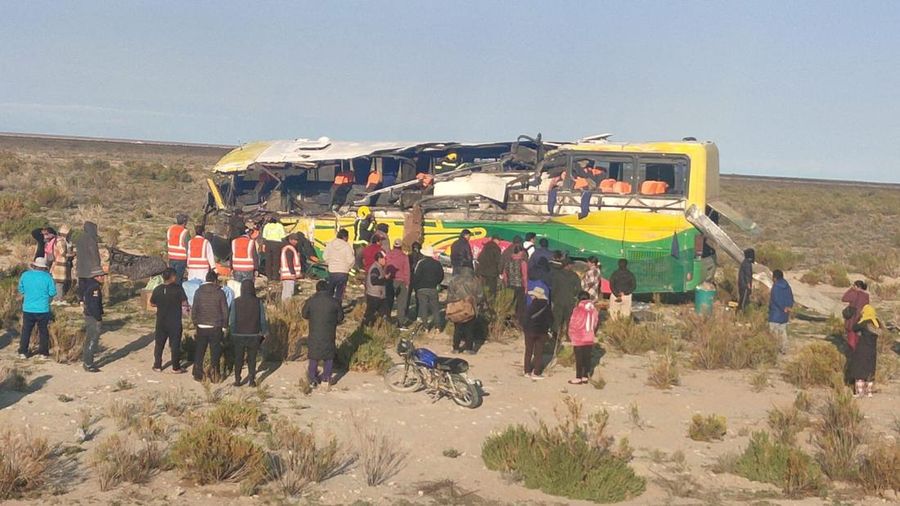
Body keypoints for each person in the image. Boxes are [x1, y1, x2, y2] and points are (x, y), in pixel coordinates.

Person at [303, 280, 344, 387]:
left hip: (315, 331)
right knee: (328, 356)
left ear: (317, 289)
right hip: (329, 331)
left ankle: (312, 378)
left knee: (314, 355)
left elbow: (304, 314)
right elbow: (341, 318)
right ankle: (326, 378)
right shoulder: (334, 302)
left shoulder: (311, 301)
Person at [191, 270, 229, 382]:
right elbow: (225, 311)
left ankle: (197, 372)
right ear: (215, 280)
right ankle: (214, 373)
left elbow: (194, 309)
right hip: (216, 326)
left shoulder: (198, 292)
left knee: (200, 350)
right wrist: (224, 326)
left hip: (201, 325)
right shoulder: (220, 293)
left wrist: (195, 323)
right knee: (215, 351)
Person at [230, 279, 268, 387]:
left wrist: (232, 332)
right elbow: (262, 319)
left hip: (238, 334)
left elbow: (232, 319)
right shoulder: (258, 302)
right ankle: (251, 380)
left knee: (238, 358)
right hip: (254, 334)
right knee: (252, 358)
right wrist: (264, 331)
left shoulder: (236, 302)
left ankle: (238, 379)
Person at [17, 257, 57, 360]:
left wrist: (27, 294)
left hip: (28, 308)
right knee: (43, 331)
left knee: (26, 331)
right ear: (44, 268)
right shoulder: (48, 277)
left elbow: (20, 289)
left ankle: (23, 352)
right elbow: (53, 292)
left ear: (34, 265)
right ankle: (43, 353)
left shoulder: (25, 275)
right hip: (43, 308)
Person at [150, 268, 188, 373]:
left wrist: (162, 304)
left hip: (161, 320)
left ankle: (157, 365)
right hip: (174, 321)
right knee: (175, 345)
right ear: (172, 277)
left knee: (159, 344)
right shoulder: (178, 289)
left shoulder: (157, 289)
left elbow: (152, 303)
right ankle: (175, 367)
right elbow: (184, 302)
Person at [447, 267, 483, 354]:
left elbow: (450, 295)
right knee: (469, 329)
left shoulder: (454, 280)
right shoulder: (475, 281)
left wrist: (454, 302)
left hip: (457, 308)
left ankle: (455, 348)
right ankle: (469, 349)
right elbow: (480, 296)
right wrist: (475, 302)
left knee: (457, 329)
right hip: (470, 307)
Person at [849, 305, 881, 398]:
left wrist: (860, 318)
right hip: (872, 350)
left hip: (862, 349)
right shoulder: (876, 323)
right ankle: (869, 392)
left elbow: (854, 328)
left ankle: (860, 392)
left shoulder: (864, 323)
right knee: (870, 370)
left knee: (859, 370)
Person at [568, 291, 599, 384]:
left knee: (579, 358)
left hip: (579, 337)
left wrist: (571, 334)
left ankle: (578, 377)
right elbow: (595, 323)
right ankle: (586, 375)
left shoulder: (578, 309)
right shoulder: (594, 310)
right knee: (587, 357)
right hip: (589, 336)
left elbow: (573, 323)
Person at [78, 270, 105, 372]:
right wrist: (98, 317)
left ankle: (87, 361)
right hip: (92, 317)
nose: (103, 278)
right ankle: (89, 363)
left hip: (88, 315)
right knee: (92, 340)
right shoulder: (95, 287)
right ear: (96, 277)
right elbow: (93, 305)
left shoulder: (88, 284)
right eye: (101, 276)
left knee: (89, 339)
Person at [523, 286, 552, 379]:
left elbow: (525, 319)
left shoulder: (531, 306)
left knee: (528, 351)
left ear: (535, 296)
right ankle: (536, 372)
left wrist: (525, 328)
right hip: (542, 332)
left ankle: (527, 371)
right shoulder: (547, 307)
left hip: (529, 331)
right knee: (538, 353)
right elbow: (551, 320)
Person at [412, 245, 443, 329]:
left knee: (423, 307)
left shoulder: (421, 263)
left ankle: (425, 326)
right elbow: (441, 276)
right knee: (435, 308)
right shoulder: (437, 264)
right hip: (433, 287)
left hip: (422, 288)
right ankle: (438, 326)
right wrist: (436, 282)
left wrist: (417, 286)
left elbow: (416, 276)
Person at [550, 258, 582, 339]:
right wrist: (574, 295)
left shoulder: (557, 275)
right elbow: (579, 289)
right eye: (571, 264)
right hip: (570, 300)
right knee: (569, 319)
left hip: (558, 300)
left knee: (557, 319)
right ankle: (568, 336)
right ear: (567, 265)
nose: (572, 266)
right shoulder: (574, 276)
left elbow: (553, 288)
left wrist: (553, 298)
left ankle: (555, 335)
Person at [323, 229, 355, 301]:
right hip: (343, 272)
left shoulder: (330, 244)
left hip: (332, 271)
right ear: (345, 237)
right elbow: (351, 260)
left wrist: (330, 264)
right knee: (339, 293)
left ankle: (328, 306)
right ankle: (337, 308)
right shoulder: (347, 246)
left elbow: (325, 257)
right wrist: (349, 267)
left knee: (330, 292)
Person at [502, 245, 529, 327]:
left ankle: (507, 323)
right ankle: (519, 324)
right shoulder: (523, 262)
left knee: (509, 305)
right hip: (520, 286)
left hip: (510, 286)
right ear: (520, 252)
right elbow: (524, 276)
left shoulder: (508, 261)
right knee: (520, 307)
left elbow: (505, 275)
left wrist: (506, 284)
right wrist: (526, 287)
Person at [385, 239, 411, 326]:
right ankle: (400, 322)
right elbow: (407, 271)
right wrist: (407, 283)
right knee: (401, 303)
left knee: (388, 301)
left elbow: (385, 266)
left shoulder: (388, 254)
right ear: (401, 246)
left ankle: (386, 320)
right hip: (401, 281)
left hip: (389, 280)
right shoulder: (404, 256)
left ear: (393, 245)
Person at [768, 269, 794, 354]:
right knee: (783, 332)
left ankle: (773, 350)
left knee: (773, 333)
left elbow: (775, 299)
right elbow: (791, 298)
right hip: (785, 314)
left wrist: (782, 307)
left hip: (775, 313)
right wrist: (788, 307)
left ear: (775, 278)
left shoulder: (775, 287)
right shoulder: (787, 286)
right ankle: (784, 349)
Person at [363, 251, 392, 327]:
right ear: (379, 259)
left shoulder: (379, 267)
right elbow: (374, 281)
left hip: (379, 295)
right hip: (374, 296)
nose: (386, 261)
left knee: (385, 313)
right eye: (384, 259)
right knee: (370, 313)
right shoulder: (375, 269)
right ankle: (365, 327)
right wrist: (385, 278)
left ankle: (385, 328)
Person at [841, 280, 869, 351]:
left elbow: (844, 298)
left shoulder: (855, 294)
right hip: (861, 317)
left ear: (857, 286)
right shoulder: (866, 296)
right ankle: (856, 352)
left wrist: (851, 289)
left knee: (851, 335)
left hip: (852, 318)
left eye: (854, 285)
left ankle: (851, 353)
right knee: (858, 336)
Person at [50, 224, 75, 302]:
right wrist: (72, 254)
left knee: (61, 282)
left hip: (62, 264)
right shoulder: (60, 241)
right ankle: (58, 299)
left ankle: (58, 298)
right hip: (59, 265)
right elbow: (63, 253)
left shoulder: (63, 241)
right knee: (59, 282)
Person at [166, 213, 189, 283]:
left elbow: (167, 241)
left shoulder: (170, 229)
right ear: (185, 222)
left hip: (171, 257)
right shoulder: (185, 232)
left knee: (171, 278)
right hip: (181, 259)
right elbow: (188, 246)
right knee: (178, 279)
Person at [280, 234, 302, 301]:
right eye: (294, 240)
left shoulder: (285, 248)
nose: (296, 242)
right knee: (289, 293)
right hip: (290, 275)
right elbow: (289, 262)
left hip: (285, 274)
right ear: (290, 240)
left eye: (297, 240)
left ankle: (283, 307)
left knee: (285, 292)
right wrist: (293, 273)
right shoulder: (290, 249)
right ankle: (287, 308)